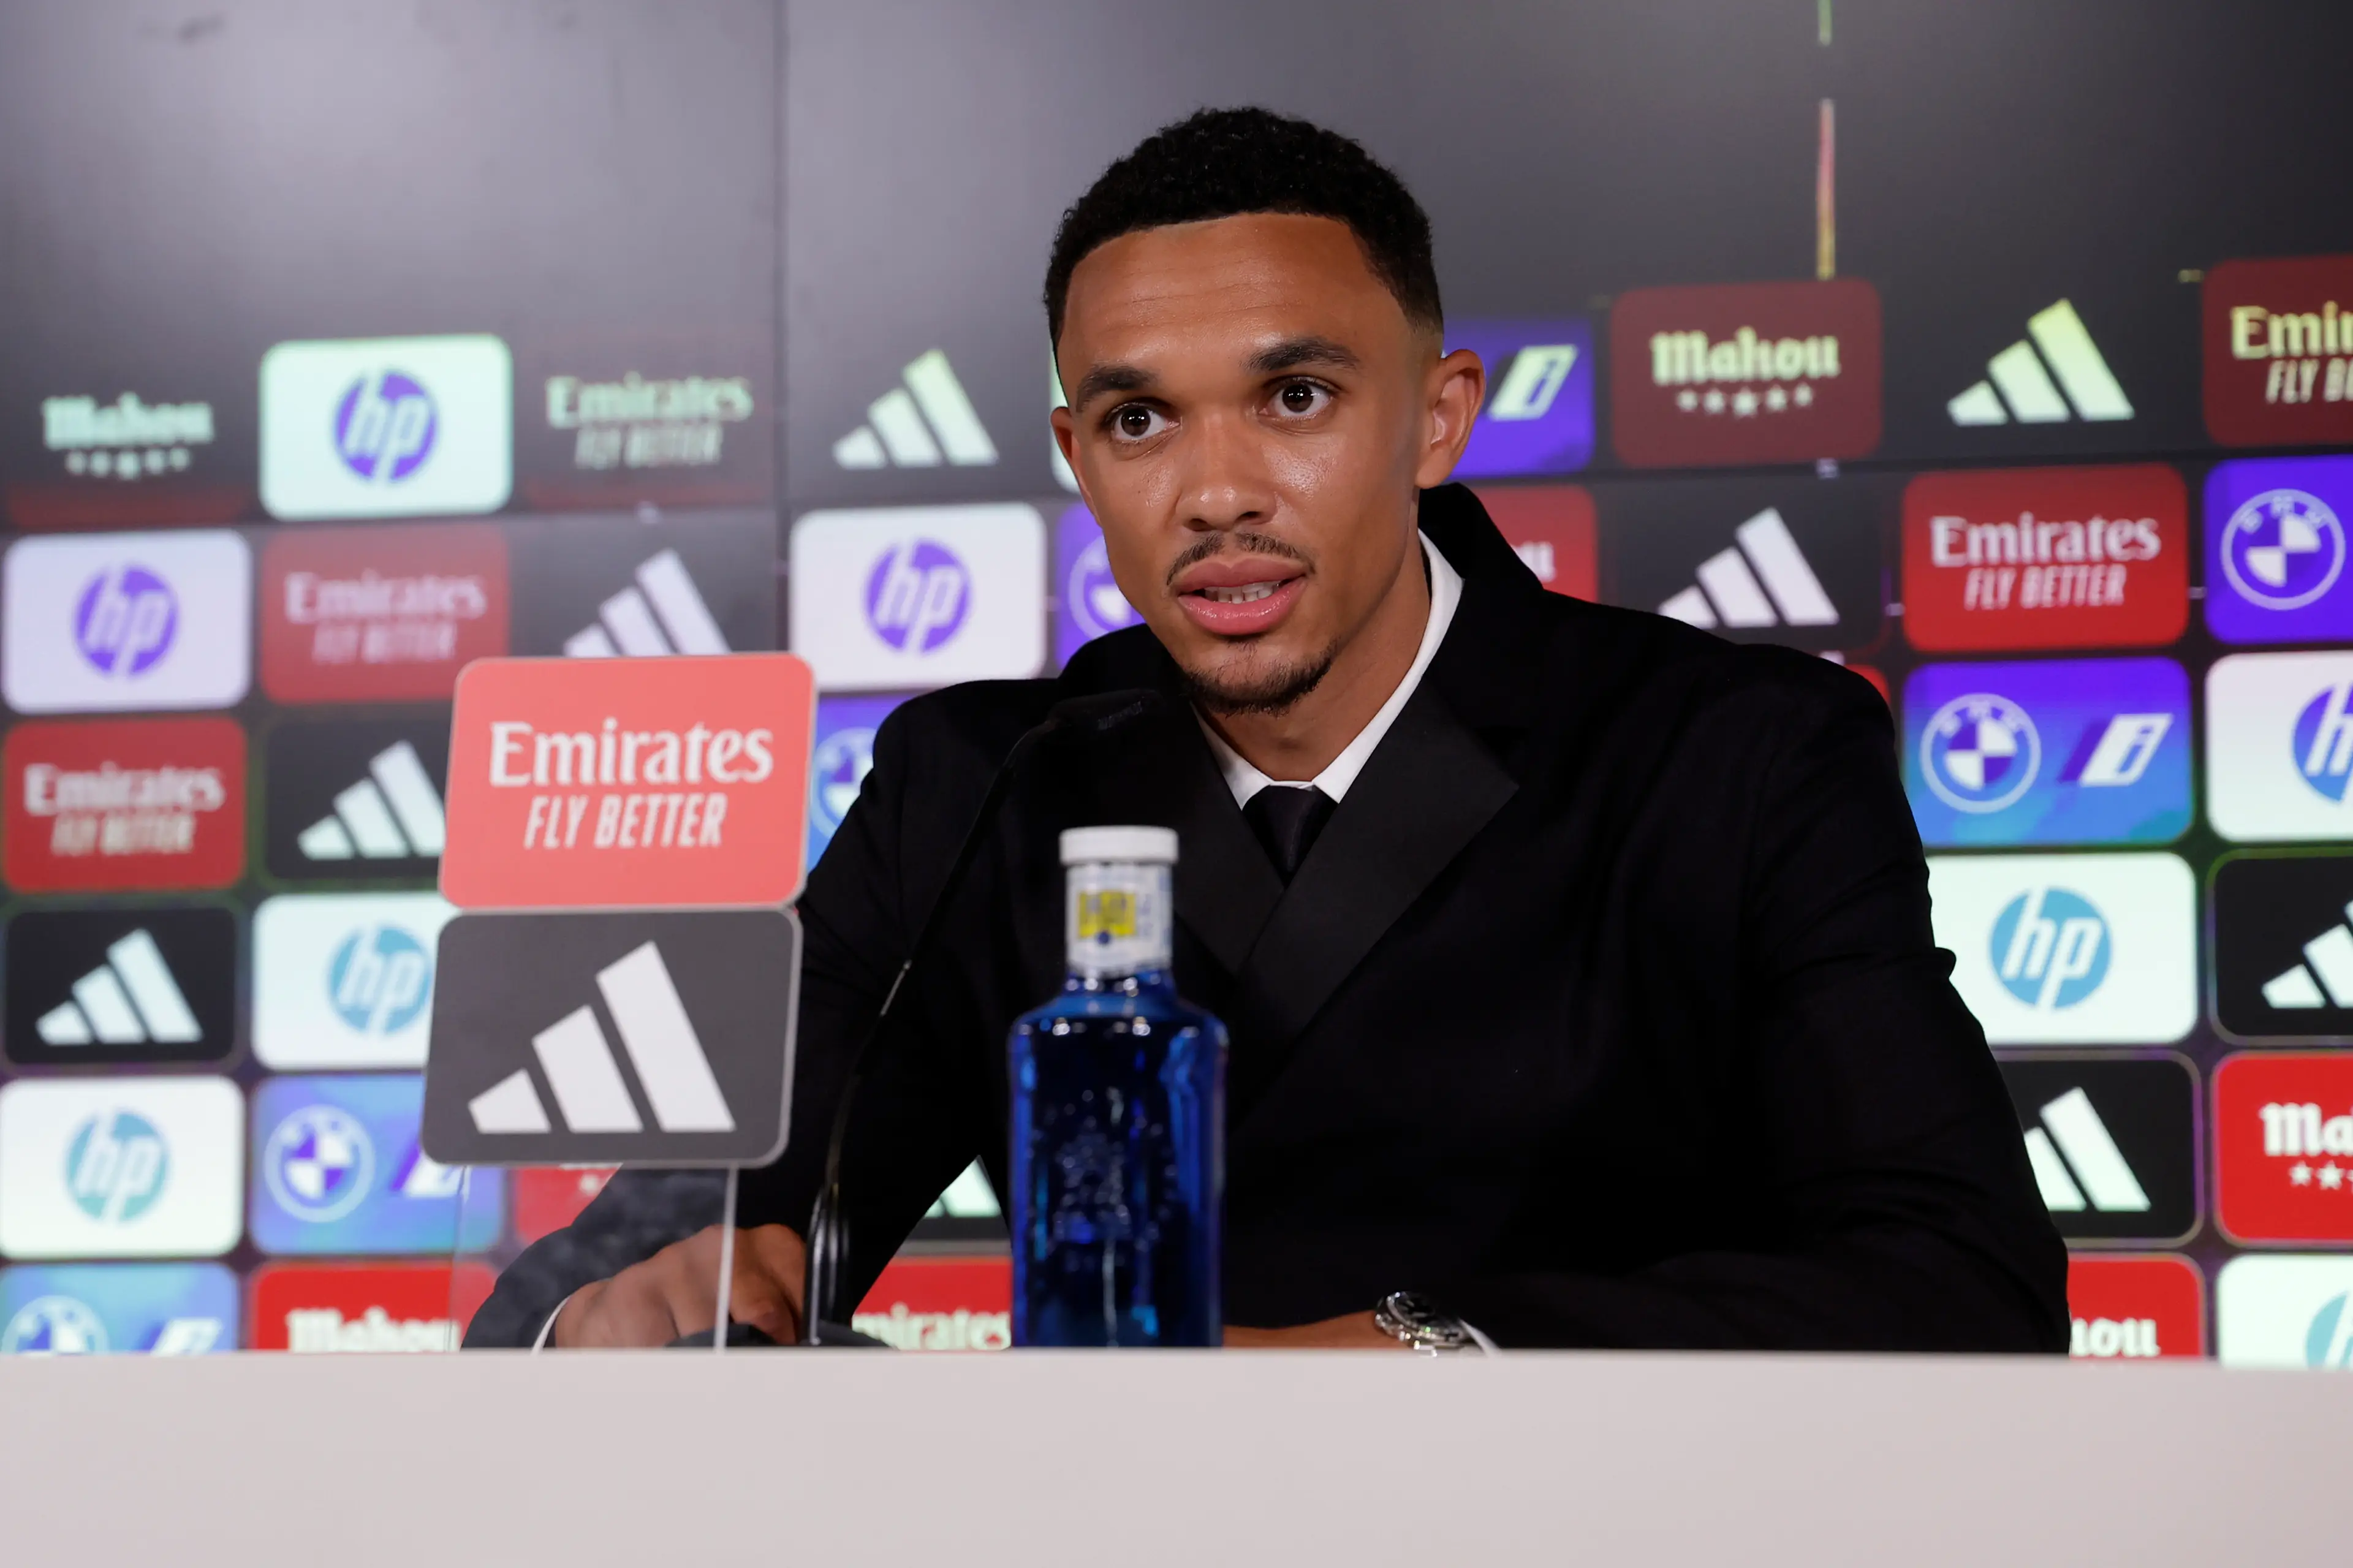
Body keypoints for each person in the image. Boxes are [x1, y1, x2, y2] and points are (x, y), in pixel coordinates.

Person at [469, 107, 2065, 1353]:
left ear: (1438, 416)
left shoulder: (1738, 754)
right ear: (1076, 456)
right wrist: (610, 1317)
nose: (1216, 491)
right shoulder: (972, 784)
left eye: (1294, 397)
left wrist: (1401, 1355)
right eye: (1139, 419)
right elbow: (615, 1268)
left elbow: (1962, 1279)